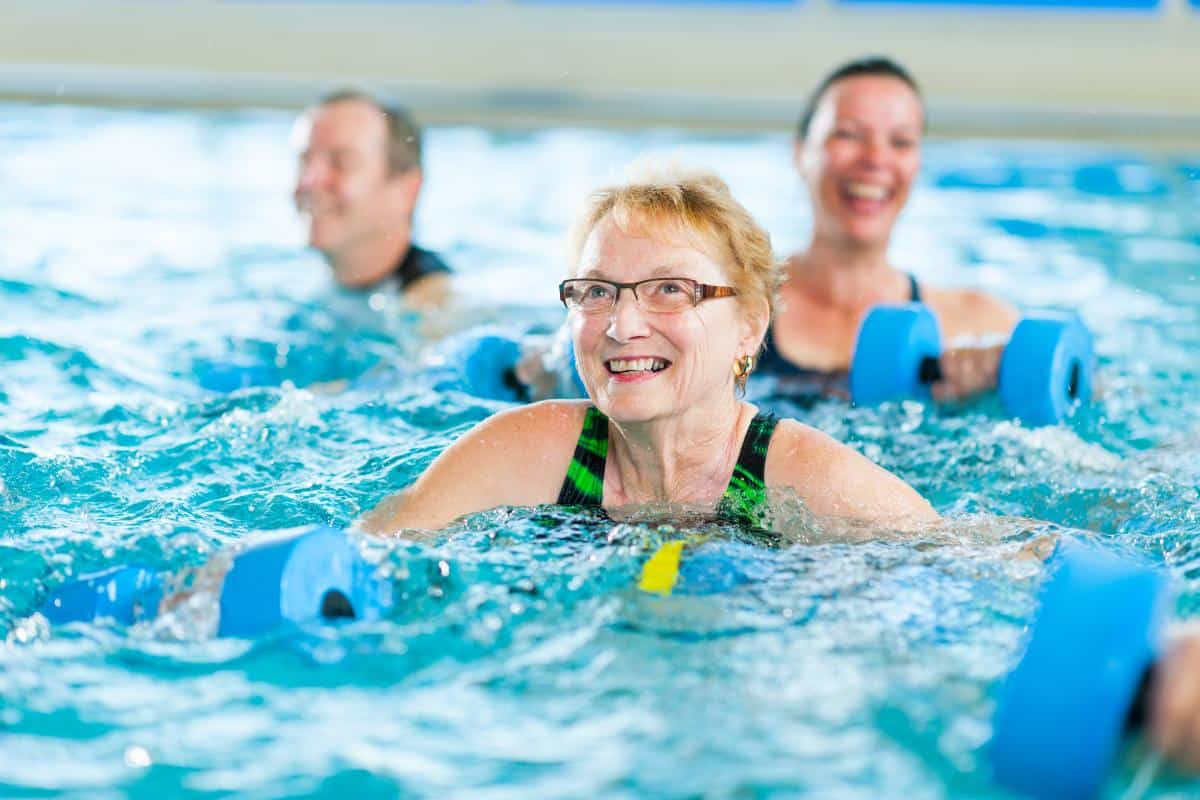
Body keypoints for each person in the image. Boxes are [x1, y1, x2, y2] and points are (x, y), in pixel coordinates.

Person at [360, 165, 939, 534]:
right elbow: (370, 553)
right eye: (596, 291)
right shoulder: (520, 454)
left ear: (750, 325)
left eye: (670, 289)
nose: (622, 324)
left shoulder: (812, 481)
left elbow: (980, 566)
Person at [758, 56, 1019, 401]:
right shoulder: (735, 307)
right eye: (848, 134)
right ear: (800, 153)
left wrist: (1000, 375)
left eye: (900, 142)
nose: (876, 159)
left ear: (917, 164)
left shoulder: (978, 323)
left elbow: (1087, 391)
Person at [292, 89, 451, 307]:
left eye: (341, 163)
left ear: (407, 189)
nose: (308, 182)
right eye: (305, 160)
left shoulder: (438, 313)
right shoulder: (305, 284)